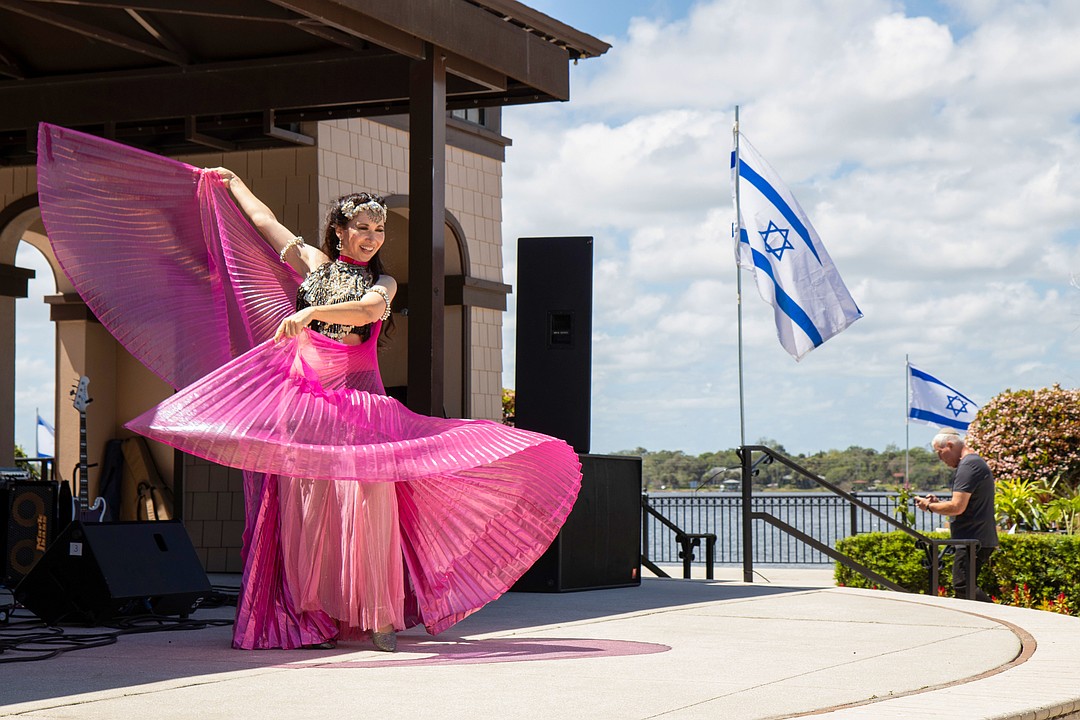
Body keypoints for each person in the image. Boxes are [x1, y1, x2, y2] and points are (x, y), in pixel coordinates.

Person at [36, 123, 582, 653]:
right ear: (339, 231)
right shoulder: (314, 263)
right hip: (306, 411)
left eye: (379, 231)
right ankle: (310, 614)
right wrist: (231, 182)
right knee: (305, 515)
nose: (372, 239)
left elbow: (370, 309)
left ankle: (381, 619)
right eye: (362, 229)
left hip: (362, 411)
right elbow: (265, 222)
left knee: (370, 514)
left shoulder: (382, 283)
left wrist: (314, 311)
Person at [916, 428, 998, 602]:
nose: (940, 459)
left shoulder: (968, 465)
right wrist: (937, 503)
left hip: (973, 540)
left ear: (950, 445)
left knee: (962, 586)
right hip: (974, 539)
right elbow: (965, 504)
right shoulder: (972, 463)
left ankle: (1002, 617)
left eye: (940, 453)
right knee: (965, 586)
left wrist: (929, 506)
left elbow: (957, 507)